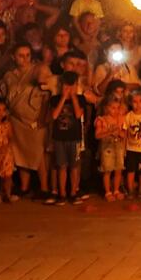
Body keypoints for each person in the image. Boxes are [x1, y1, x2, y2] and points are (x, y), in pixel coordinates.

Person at [2, 43, 49, 199]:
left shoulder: (37, 70)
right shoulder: (9, 75)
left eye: (28, 55)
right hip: (16, 120)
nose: (25, 58)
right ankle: (24, 186)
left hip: (34, 119)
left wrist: (42, 118)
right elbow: (4, 95)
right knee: (20, 152)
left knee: (38, 153)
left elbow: (46, 95)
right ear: (13, 57)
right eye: (21, 55)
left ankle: (44, 187)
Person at [47, 70, 86, 205]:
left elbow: (77, 114)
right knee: (61, 166)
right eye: (66, 86)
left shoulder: (81, 99)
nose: (68, 89)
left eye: (72, 86)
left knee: (74, 166)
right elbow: (54, 115)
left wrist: (74, 97)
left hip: (74, 138)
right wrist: (63, 98)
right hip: (59, 138)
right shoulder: (55, 99)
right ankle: (62, 193)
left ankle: (73, 192)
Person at [95, 96, 126, 201]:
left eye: (117, 108)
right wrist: (109, 132)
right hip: (107, 149)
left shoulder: (121, 119)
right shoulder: (101, 120)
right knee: (107, 170)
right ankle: (108, 192)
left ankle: (116, 190)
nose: (116, 110)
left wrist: (120, 133)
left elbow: (124, 134)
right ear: (107, 108)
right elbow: (97, 135)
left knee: (118, 170)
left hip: (119, 148)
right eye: (113, 108)